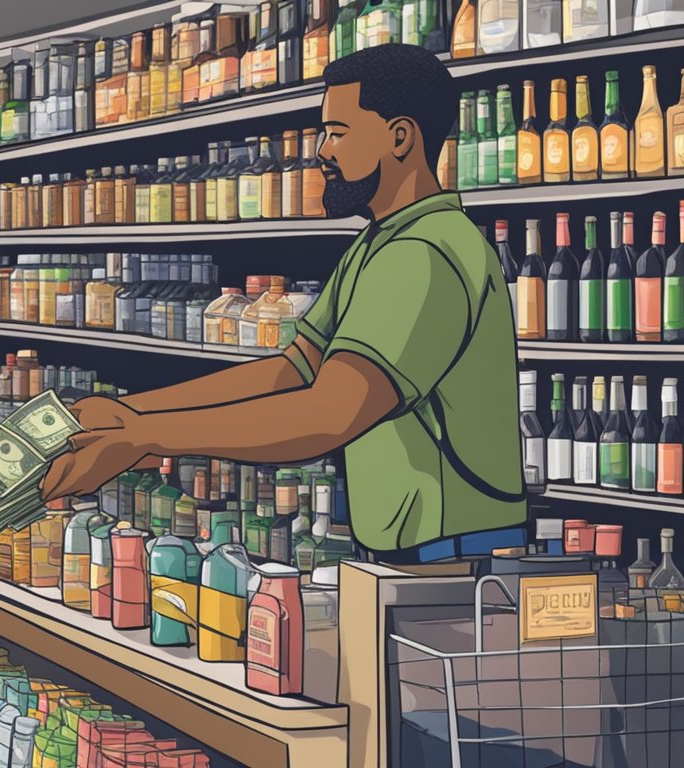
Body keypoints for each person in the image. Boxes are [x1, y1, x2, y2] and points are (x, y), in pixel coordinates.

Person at [41, 44, 528, 563]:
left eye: (338, 131)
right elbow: (294, 370)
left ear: (400, 137)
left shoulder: (423, 254)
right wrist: (128, 412)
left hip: (455, 558)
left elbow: (330, 412)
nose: (323, 150)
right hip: (419, 549)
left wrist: (145, 436)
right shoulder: (378, 243)